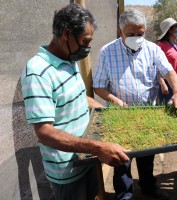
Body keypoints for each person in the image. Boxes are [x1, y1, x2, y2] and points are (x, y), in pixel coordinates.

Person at [21, 4, 129, 200]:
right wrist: (98, 148)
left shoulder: (70, 60)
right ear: (66, 34)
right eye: (86, 41)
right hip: (67, 172)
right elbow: (44, 132)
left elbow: (78, 96)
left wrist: (108, 113)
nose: (88, 47)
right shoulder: (37, 72)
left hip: (85, 158)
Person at [93, 9, 177, 200]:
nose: (136, 38)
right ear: (120, 31)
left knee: (148, 155)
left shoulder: (153, 49)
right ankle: (124, 195)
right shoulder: (107, 52)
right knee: (121, 160)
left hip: (148, 112)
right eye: (131, 34)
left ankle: (148, 187)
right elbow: (98, 86)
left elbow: (169, 71)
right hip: (120, 115)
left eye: (140, 34)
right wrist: (115, 100)